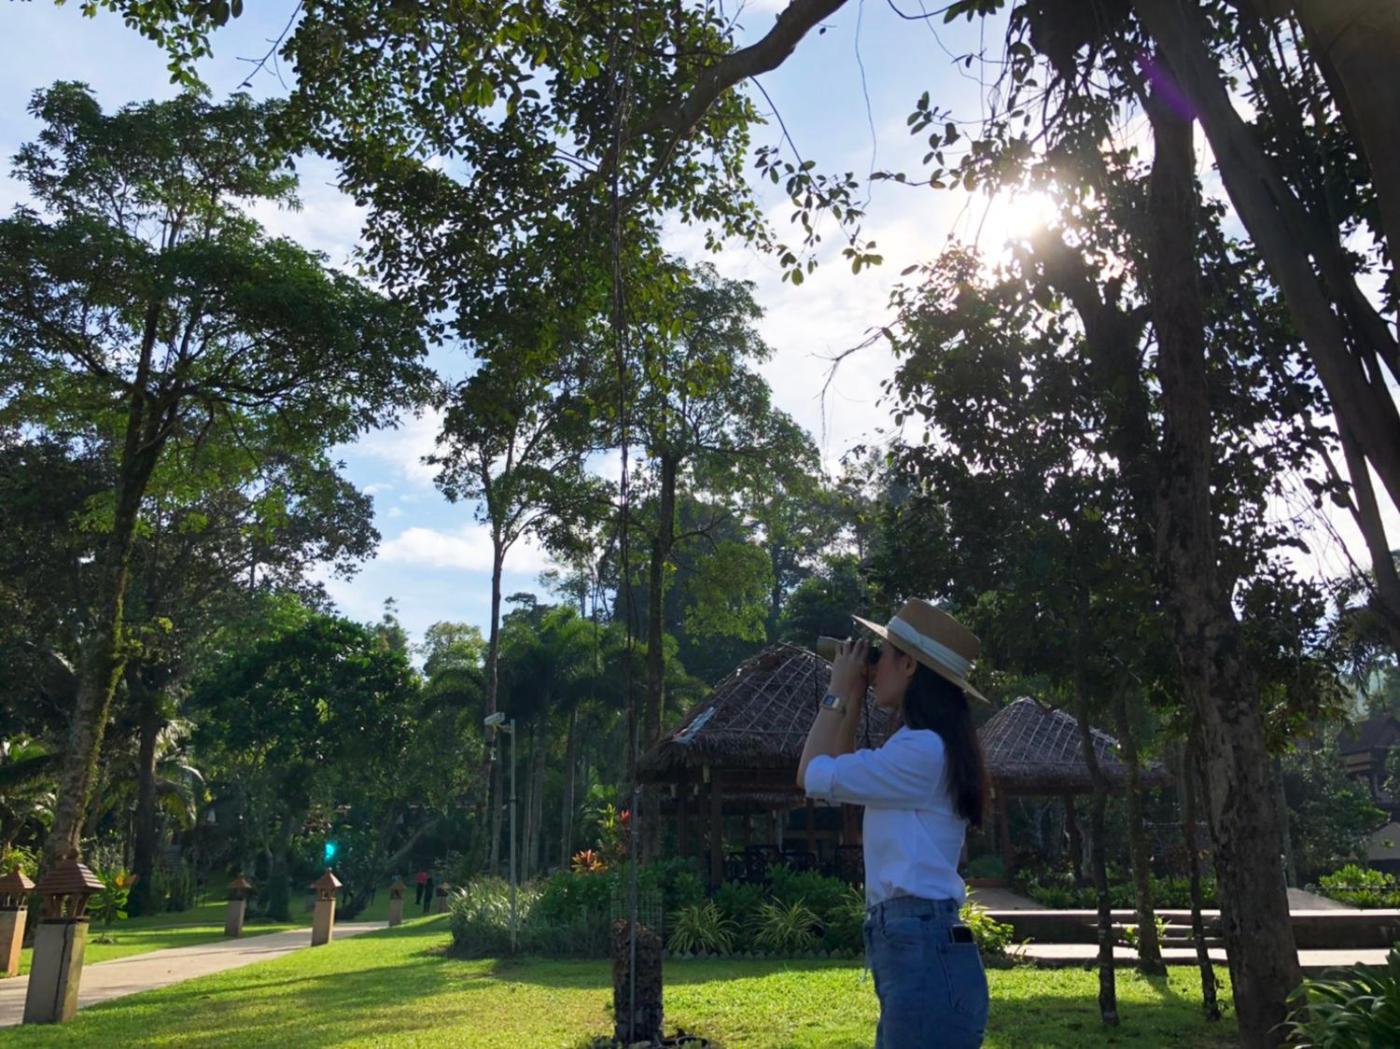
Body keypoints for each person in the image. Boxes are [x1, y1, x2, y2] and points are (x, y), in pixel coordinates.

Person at [798, 598, 991, 1049]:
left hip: (921, 943)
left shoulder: (922, 751)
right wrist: (852, 696)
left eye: (882, 654)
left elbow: (810, 773)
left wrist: (836, 689)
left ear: (908, 666)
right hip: (919, 942)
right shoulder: (923, 746)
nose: (875, 665)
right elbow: (839, 771)